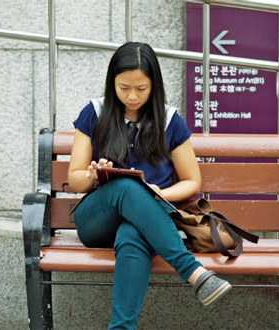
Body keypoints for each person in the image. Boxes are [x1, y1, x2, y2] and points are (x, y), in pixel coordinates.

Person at [68, 42, 231, 329]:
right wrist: (94, 175)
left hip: (148, 223)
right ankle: (193, 272)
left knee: (133, 232)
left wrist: (160, 193)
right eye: (124, 87)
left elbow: (193, 182)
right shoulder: (95, 113)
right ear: (112, 83)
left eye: (141, 89)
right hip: (97, 219)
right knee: (128, 187)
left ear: (154, 85)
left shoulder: (170, 121)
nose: (132, 96)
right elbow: (75, 180)